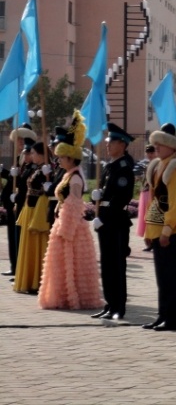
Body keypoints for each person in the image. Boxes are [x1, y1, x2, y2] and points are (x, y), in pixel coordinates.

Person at [38, 110, 101, 311]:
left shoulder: (74, 178)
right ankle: (63, 296)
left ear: (71, 158)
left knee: (71, 263)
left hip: (70, 227)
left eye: (62, 157)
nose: (59, 161)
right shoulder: (68, 175)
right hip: (62, 221)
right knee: (63, 264)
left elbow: (74, 204)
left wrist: (65, 229)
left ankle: (73, 297)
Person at [143, 123, 176, 331]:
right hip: (158, 227)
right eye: (156, 144)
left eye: (162, 144)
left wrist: (166, 230)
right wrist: (148, 231)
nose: (157, 148)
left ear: (172, 146)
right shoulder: (158, 165)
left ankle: (172, 318)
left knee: (171, 276)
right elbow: (154, 201)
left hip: (171, 231)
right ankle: (163, 314)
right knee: (161, 276)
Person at [90, 123, 136, 321]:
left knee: (117, 267)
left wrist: (103, 217)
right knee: (107, 266)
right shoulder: (110, 167)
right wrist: (95, 198)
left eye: (111, 142)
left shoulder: (124, 168)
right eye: (107, 142)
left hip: (116, 223)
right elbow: (106, 196)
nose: (107, 145)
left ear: (122, 144)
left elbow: (120, 199)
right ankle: (109, 304)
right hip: (106, 222)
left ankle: (119, 306)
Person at [13, 141, 52, 294]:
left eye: (34, 153)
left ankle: (37, 280)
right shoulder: (36, 168)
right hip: (29, 209)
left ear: (41, 154)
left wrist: (48, 180)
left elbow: (48, 191)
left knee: (37, 246)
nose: (32, 155)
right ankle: (29, 279)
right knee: (28, 247)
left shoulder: (46, 170)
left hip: (38, 211)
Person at [2, 124, 37, 279]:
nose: (19, 143)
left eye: (22, 140)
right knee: (12, 236)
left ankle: (18, 268)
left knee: (18, 238)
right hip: (12, 204)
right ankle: (14, 265)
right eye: (18, 140)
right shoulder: (19, 158)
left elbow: (23, 181)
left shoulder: (29, 158)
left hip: (21, 205)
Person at [136, 144, 156, 249]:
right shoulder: (147, 164)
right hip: (145, 192)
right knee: (145, 217)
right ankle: (148, 240)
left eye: (151, 152)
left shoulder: (157, 164)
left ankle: (151, 239)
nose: (149, 155)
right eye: (148, 153)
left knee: (150, 217)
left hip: (151, 193)